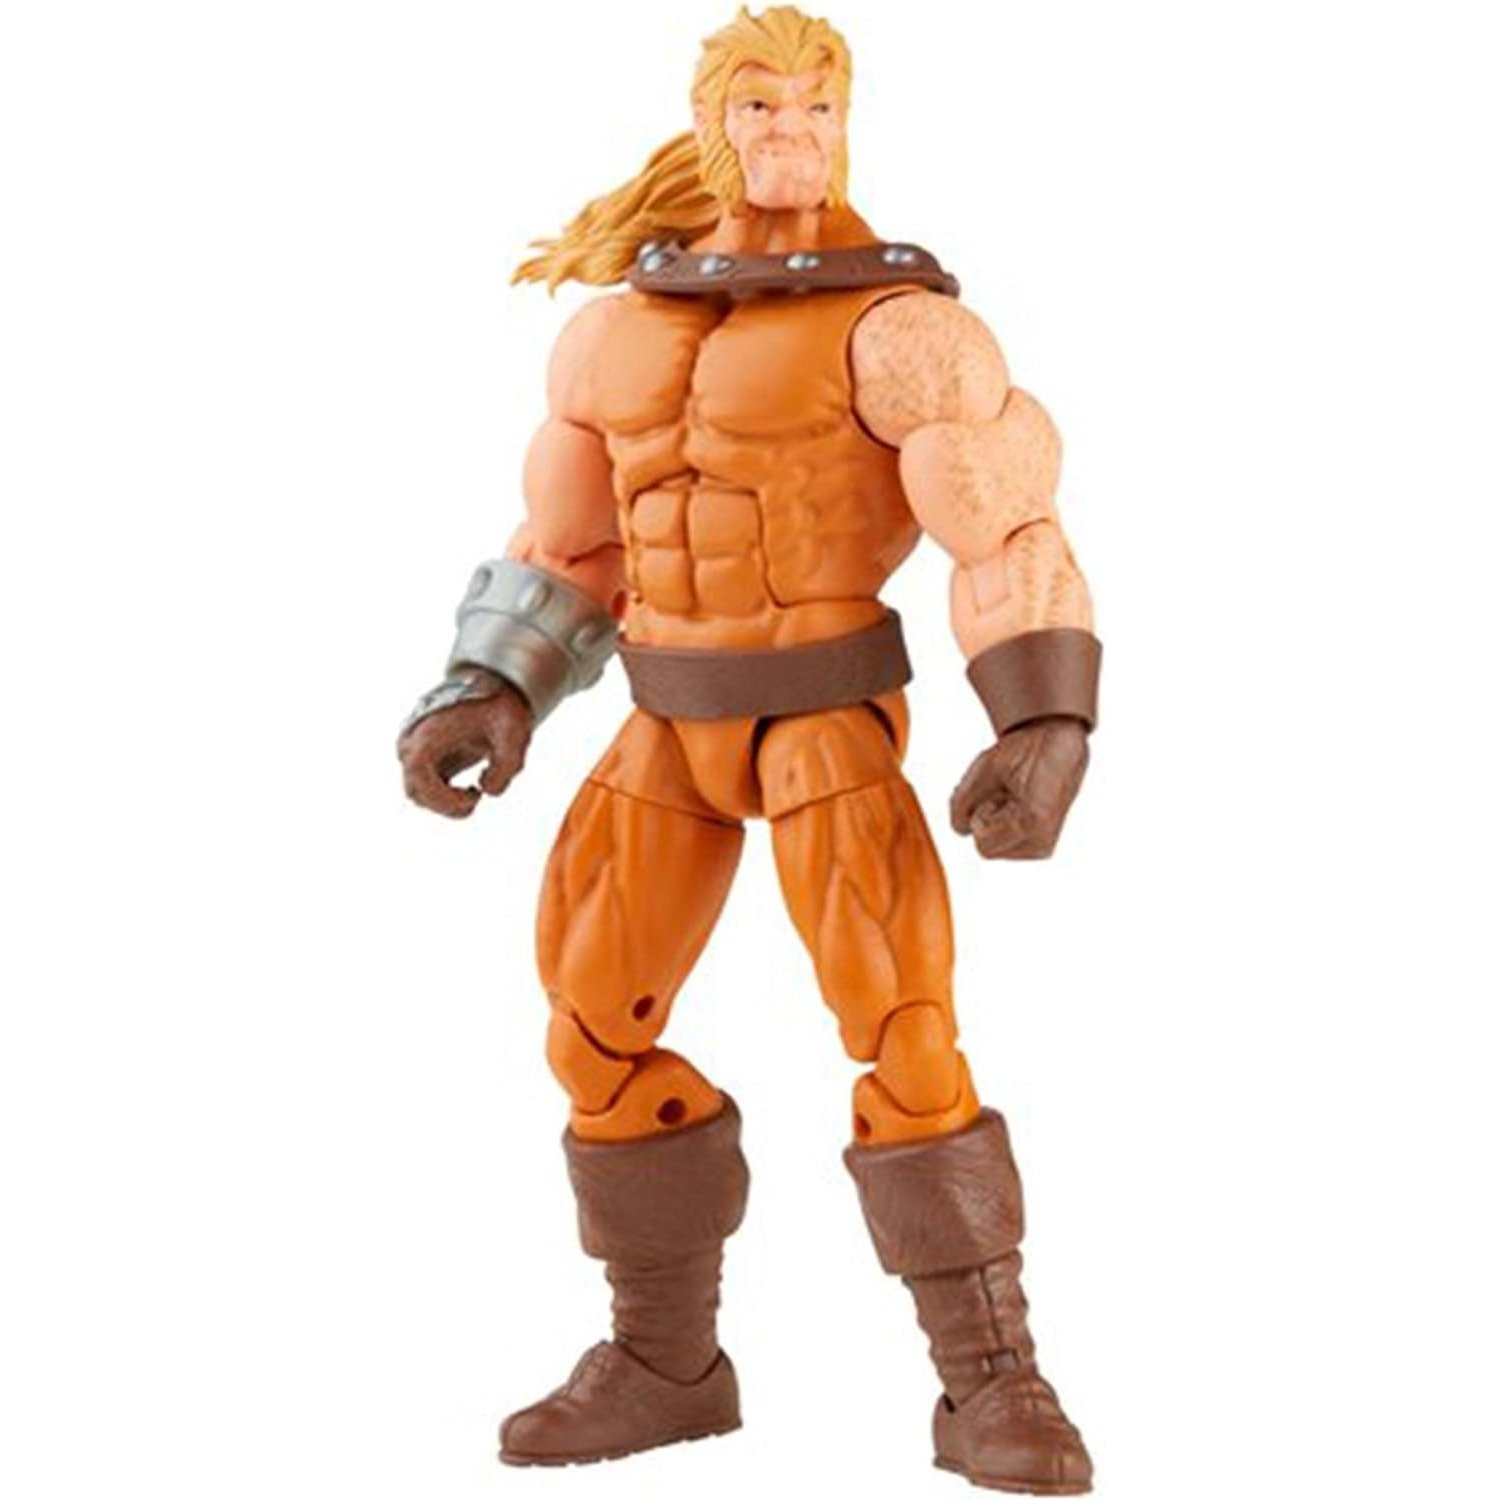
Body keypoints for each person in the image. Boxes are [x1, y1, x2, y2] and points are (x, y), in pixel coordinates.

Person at [398, 8, 1101, 1492]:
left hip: (823, 717)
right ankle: (668, 1362)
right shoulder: (614, 336)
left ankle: (991, 1379)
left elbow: (1005, 520)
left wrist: (1044, 715)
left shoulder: (900, 331)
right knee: (591, 1023)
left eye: (820, 105)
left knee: (905, 1028)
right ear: (713, 123)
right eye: (764, 105)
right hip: (667, 717)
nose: (795, 131)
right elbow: (575, 543)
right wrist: (491, 685)